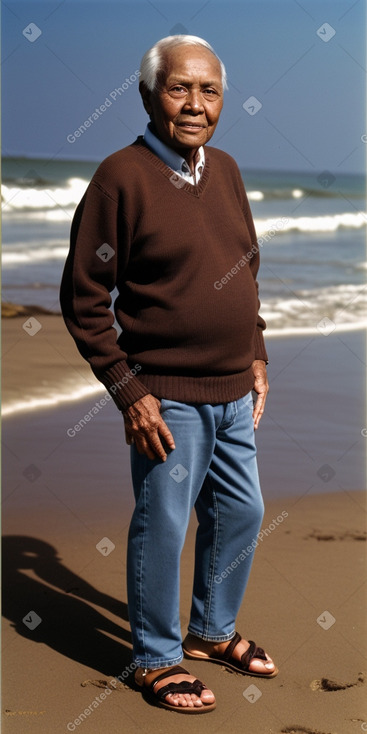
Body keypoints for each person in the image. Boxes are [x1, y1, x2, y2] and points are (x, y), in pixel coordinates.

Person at [60, 34, 278, 715]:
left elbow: (244, 265)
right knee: (165, 524)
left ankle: (210, 632)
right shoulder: (119, 178)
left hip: (232, 390)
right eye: (179, 87)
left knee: (243, 511)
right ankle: (154, 659)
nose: (194, 103)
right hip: (165, 397)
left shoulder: (229, 170)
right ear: (149, 93)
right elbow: (83, 298)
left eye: (208, 90)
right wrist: (128, 392)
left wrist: (257, 350)